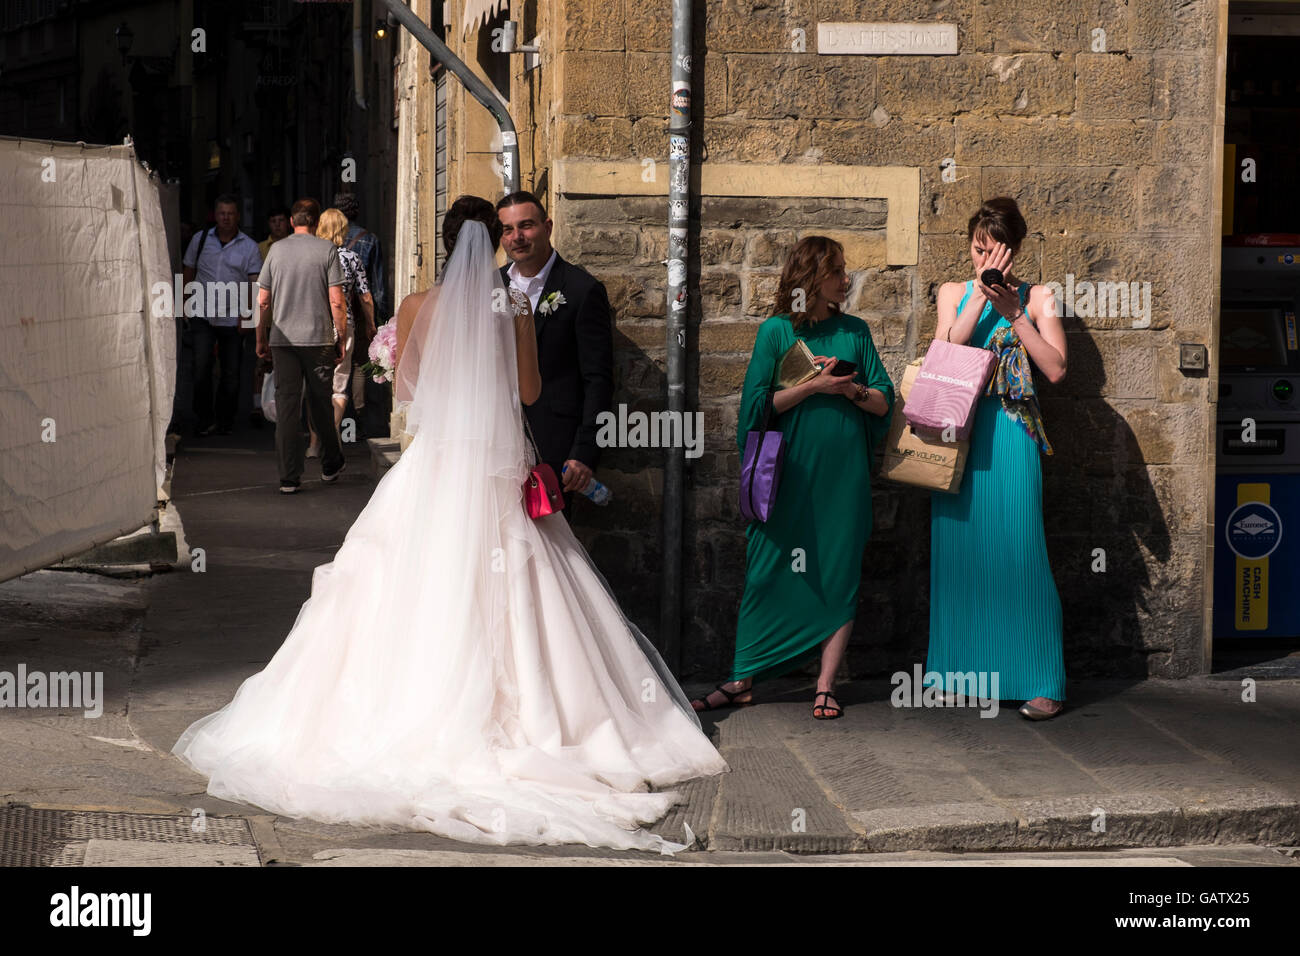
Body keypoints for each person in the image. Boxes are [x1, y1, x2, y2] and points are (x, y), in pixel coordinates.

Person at [172, 201, 728, 853]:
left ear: (442, 243)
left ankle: (399, 714)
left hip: (436, 465)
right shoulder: (514, 306)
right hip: (494, 466)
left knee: (405, 582)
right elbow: (526, 392)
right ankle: (548, 726)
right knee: (523, 590)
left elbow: (406, 389)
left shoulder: (414, 306)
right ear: (493, 243)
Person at [692, 237, 894, 720]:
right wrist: (815, 385)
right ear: (813, 278)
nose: (847, 279)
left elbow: (884, 401)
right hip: (788, 475)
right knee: (766, 568)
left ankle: (825, 685)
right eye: (839, 271)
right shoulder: (776, 333)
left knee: (839, 570)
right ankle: (742, 678)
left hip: (843, 479)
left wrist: (851, 390)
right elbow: (758, 407)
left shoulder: (856, 331)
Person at [929, 197, 1068, 720]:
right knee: (962, 558)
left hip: (1012, 433)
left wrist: (1014, 312)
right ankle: (962, 675)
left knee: (1022, 551)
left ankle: (1041, 680)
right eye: (975, 248)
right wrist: (980, 300)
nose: (981, 259)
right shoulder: (952, 293)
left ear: (1013, 251)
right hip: (961, 432)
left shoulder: (1040, 297)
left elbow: (1055, 369)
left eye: (991, 251)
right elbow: (948, 350)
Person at [497, 191, 613, 515]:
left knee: (550, 550)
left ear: (547, 226)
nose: (516, 237)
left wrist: (585, 453)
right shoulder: (490, 287)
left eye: (526, 226)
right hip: (495, 444)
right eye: (507, 229)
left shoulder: (581, 290)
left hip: (555, 450)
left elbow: (598, 380)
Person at [253, 198, 348, 494]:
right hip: (319, 339)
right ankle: (331, 462)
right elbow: (336, 300)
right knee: (320, 405)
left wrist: (261, 337)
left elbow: (263, 301)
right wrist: (341, 337)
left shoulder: (277, 251)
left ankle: (289, 477)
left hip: (283, 341)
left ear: (293, 222)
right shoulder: (327, 250)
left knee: (287, 406)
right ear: (317, 223)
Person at [182, 194, 262, 436]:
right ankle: (204, 417)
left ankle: (225, 420)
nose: (226, 218)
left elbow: (253, 284)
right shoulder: (200, 239)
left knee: (231, 373)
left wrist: (247, 317)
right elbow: (189, 269)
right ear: (215, 216)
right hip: (202, 314)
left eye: (230, 214)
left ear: (237, 216)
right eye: (221, 213)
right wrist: (184, 302)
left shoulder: (249, 246)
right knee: (200, 368)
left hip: (232, 317)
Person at [311, 207, 376, 453]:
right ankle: (332, 439)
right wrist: (370, 323)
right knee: (339, 384)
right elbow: (365, 296)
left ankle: (314, 443)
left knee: (315, 383)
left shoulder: (312, 258)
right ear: (342, 230)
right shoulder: (351, 258)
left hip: (314, 324)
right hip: (343, 323)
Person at [251, 206, 292, 429]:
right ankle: (258, 405)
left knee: (286, 363)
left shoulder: (294, 248)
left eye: (281, 220)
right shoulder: (259, 249)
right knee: (261, 362)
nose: (277, 224)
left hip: (287, 315)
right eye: (273, 221)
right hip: (266, 313)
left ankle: (282, 405)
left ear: (289, 223)